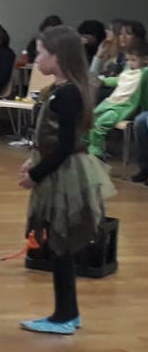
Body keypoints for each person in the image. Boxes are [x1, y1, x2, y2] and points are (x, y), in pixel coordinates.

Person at [20, 24, 115, 334]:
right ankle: (68, 311)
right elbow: (52, 139)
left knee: (61, 243)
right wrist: (33, 158)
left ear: (57, 57)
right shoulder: (62, 90)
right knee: (59, 244)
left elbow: (63, 147)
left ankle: (64, 316)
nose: (36, 59)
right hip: (59, 169)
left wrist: (35, 174)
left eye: (40, 53)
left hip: (64, 175)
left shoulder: (68, 94)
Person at [88, 38, 147, 160]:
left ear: (145, 59)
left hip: (124, 107)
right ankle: (87, 146)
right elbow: (119, 80)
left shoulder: (144, 73)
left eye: (133, 60)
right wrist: (103, 81)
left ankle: (96, 151)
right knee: (90, 119)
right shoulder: (128, 71)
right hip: (111, 102)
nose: (130, 63)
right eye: (128, 60)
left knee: (101, 123)